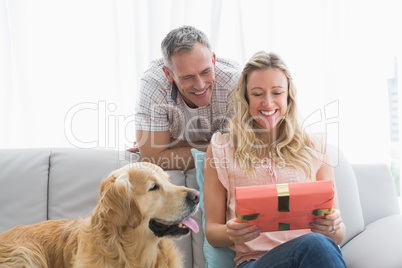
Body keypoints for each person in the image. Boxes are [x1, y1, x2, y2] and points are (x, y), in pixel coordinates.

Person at [204, 51, 346, 267]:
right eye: (258, 94)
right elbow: (212, 232)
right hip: (255, 262)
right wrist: (231, 232)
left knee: (318, 244)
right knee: (316, 244)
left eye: (277, 92)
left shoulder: (315, 147)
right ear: (246, 98)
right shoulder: (222, 148)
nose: (268, 103)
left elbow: (337, 235)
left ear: (288, 96)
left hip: (311, 257)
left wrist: (333, 227)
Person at [132, 26, 241, 170]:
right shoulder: (153, 86)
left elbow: (240, 150)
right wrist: (220, 147)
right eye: (188, 77)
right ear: (168, 74)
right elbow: (153, 158)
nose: (200, 85)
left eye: (206, 71)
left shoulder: (234, 82)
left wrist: (170, 143)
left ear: (213, 60)